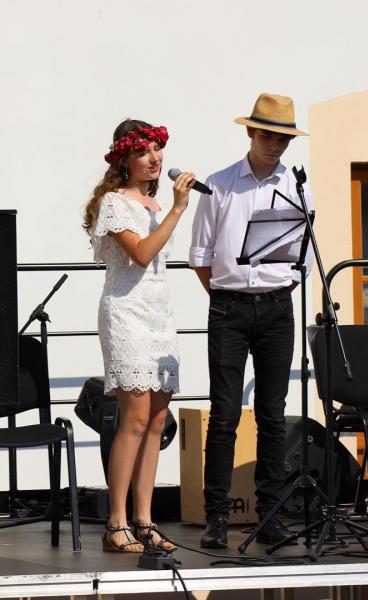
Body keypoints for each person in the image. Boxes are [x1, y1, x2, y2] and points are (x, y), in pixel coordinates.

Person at [189, 93, 313, 548]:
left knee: (273, 415)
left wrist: (273, 291)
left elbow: (300, 254)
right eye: (268, 136)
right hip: (230, 307)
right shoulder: (220, 184)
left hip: (277, 307)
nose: (275, 145)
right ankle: (216, 518)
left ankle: (271, 515)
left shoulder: (297, 186)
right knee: (224, 414)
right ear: (250, 133)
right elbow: (201, 255)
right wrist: (229, 295)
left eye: (284, 139)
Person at [84, 119, 195, 553]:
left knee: (156, 420)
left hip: (159, 314)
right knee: (133, 417)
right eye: (143, 151)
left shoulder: (153, 204)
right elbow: (142, 254)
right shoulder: (114, 203)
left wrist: (168, 209)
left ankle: (145, 521)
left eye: (157, 149)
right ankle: (116, 523)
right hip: (126, 312)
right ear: (124, 158)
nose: (154, 158)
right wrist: (178, 210)